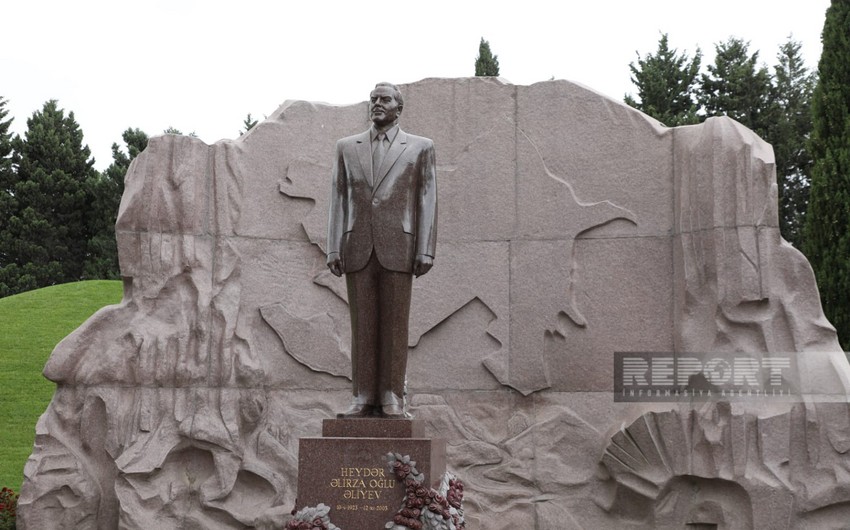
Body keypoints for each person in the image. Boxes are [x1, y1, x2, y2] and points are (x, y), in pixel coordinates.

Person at [326, 82, 437, 418]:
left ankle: (391, 396)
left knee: (394, 325)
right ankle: (362, 396)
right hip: (356, 245)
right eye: (373, 99)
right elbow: (339, 198)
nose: (376, 103)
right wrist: (334, 247)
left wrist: (426, 248)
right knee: (362, 324)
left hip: (399, 247)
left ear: (398, 107)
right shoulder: (346, 147)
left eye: (384, 99)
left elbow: (427, 198)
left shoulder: (420, 147)